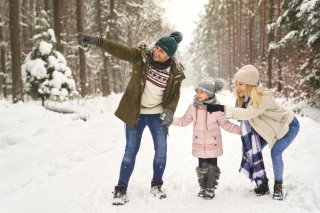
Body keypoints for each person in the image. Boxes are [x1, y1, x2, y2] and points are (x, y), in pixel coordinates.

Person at [78, 31, 185, 205]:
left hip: (158, 115)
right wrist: (98, 41)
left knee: (161, 151)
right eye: (156, 47)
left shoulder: (175, 72)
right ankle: (121, 189)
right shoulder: (141, 58)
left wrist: (170, 110)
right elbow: (120, 50)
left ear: (169, 56)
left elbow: (175, 95)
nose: (156, 52)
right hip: (136, 113)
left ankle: (156, 185)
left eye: (161, 51)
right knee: (130, 151)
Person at [205, 65, 300, 201]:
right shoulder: (245, 99)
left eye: (241, 84)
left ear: (250, 84)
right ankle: (262, 182)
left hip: (288, 126)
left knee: (275, 153)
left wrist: (222, 109)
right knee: (253, 150)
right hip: (270, 129)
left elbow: (249, 114)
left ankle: (278, 185)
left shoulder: (263, 96)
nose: (237, 87)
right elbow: (241, 116)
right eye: (236, 84)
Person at [171, 78, 240, 199]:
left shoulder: (217, 109)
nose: (198, 94)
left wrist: (242, 131)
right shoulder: (193, 107)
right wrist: (170, 120)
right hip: (199, 144)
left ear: (210, 93)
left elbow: (226, 125)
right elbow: (183, 121)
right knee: (202, 168)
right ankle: (203, 187)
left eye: (201, 92)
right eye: (197, 92)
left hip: (213, 144)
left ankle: (210, 188)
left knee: (212, 167)